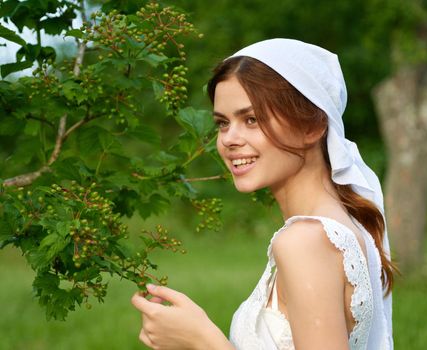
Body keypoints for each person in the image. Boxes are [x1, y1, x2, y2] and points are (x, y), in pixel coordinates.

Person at [131, 38, 396, 350]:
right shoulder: (337, 224)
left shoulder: (304, 242)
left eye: (251, 119)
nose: (229, 139)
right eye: (222, 123)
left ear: (312, 126)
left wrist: (203, 340)